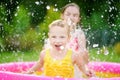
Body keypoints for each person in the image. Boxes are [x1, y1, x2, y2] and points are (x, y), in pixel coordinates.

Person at [25, 20, 92, 78]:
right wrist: (28, 73)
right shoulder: (44, 54)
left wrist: (86, 72)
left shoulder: (73, 55)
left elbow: (81, 66)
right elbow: (39, 65)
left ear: (68, 38)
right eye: (54, 37)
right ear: (49, 37)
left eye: (62, 37)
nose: (57, 41)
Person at [60, 3, 94, 77]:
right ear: (62, 16)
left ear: (78, 19)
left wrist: (86, 69)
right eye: (68, 14)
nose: (71, 17)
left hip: (74, 69)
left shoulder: (79, 34)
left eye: (75, 15)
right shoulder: (57, 31)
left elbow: (83, 56)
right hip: (58, 66)